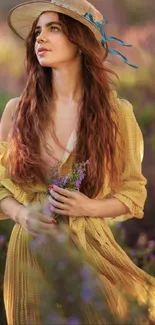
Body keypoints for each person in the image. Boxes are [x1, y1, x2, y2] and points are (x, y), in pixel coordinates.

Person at [0, 0, 155, 324]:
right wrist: (20, 213)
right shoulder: (17, 111)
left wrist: (89, 207)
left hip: (90, 246)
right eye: (38, 31)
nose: (40, 38)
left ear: (80, 40)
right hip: (28, 253)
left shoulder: (116, 114)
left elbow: (133, 191)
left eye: (53, 28)